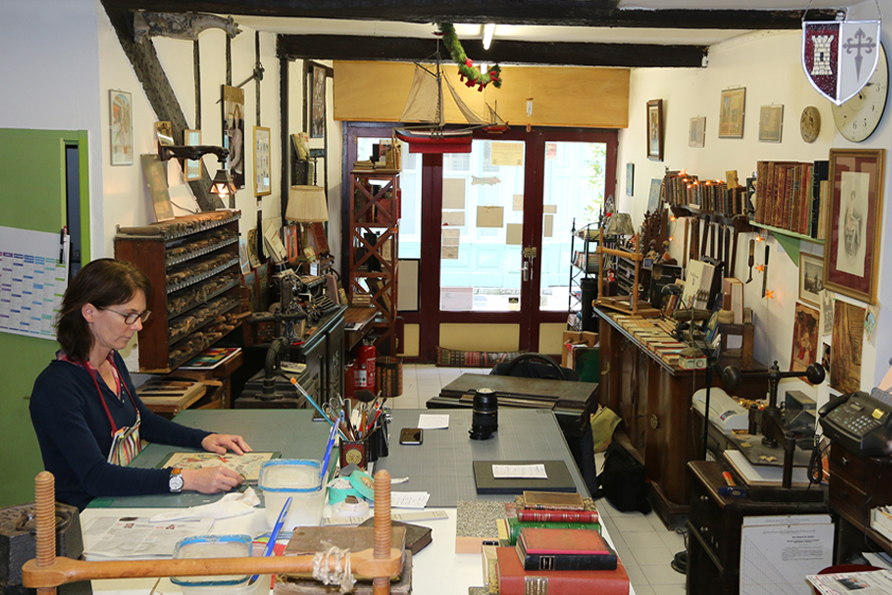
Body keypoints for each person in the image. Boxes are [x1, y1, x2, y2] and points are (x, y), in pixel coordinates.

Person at [30, 259, 252, 510]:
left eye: (140, 315)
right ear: (89, 312)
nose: (138, 326)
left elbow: (142, 422)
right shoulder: (56, 389)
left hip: (125, 498)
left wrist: (204, 439)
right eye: (128, 316)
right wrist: (186, 479)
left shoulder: (112, 361)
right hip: (89, 515)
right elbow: (95, 478)